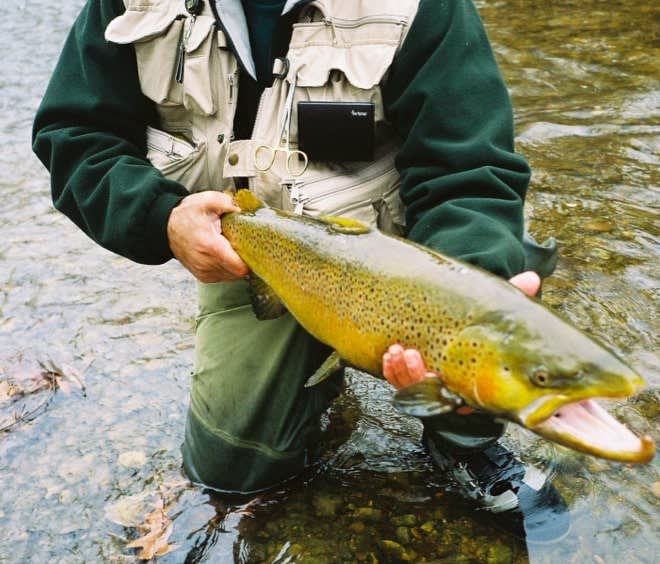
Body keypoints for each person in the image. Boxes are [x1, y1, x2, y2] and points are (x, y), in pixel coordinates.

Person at [33, 0, 568, 544]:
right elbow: (76, 135)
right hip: (257, 259)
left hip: (403, 245)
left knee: (484, 321)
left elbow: (470, 172)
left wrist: (472, 288)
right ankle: (316, 387)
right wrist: (163, 218)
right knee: (229, 475)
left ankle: (463, 440)